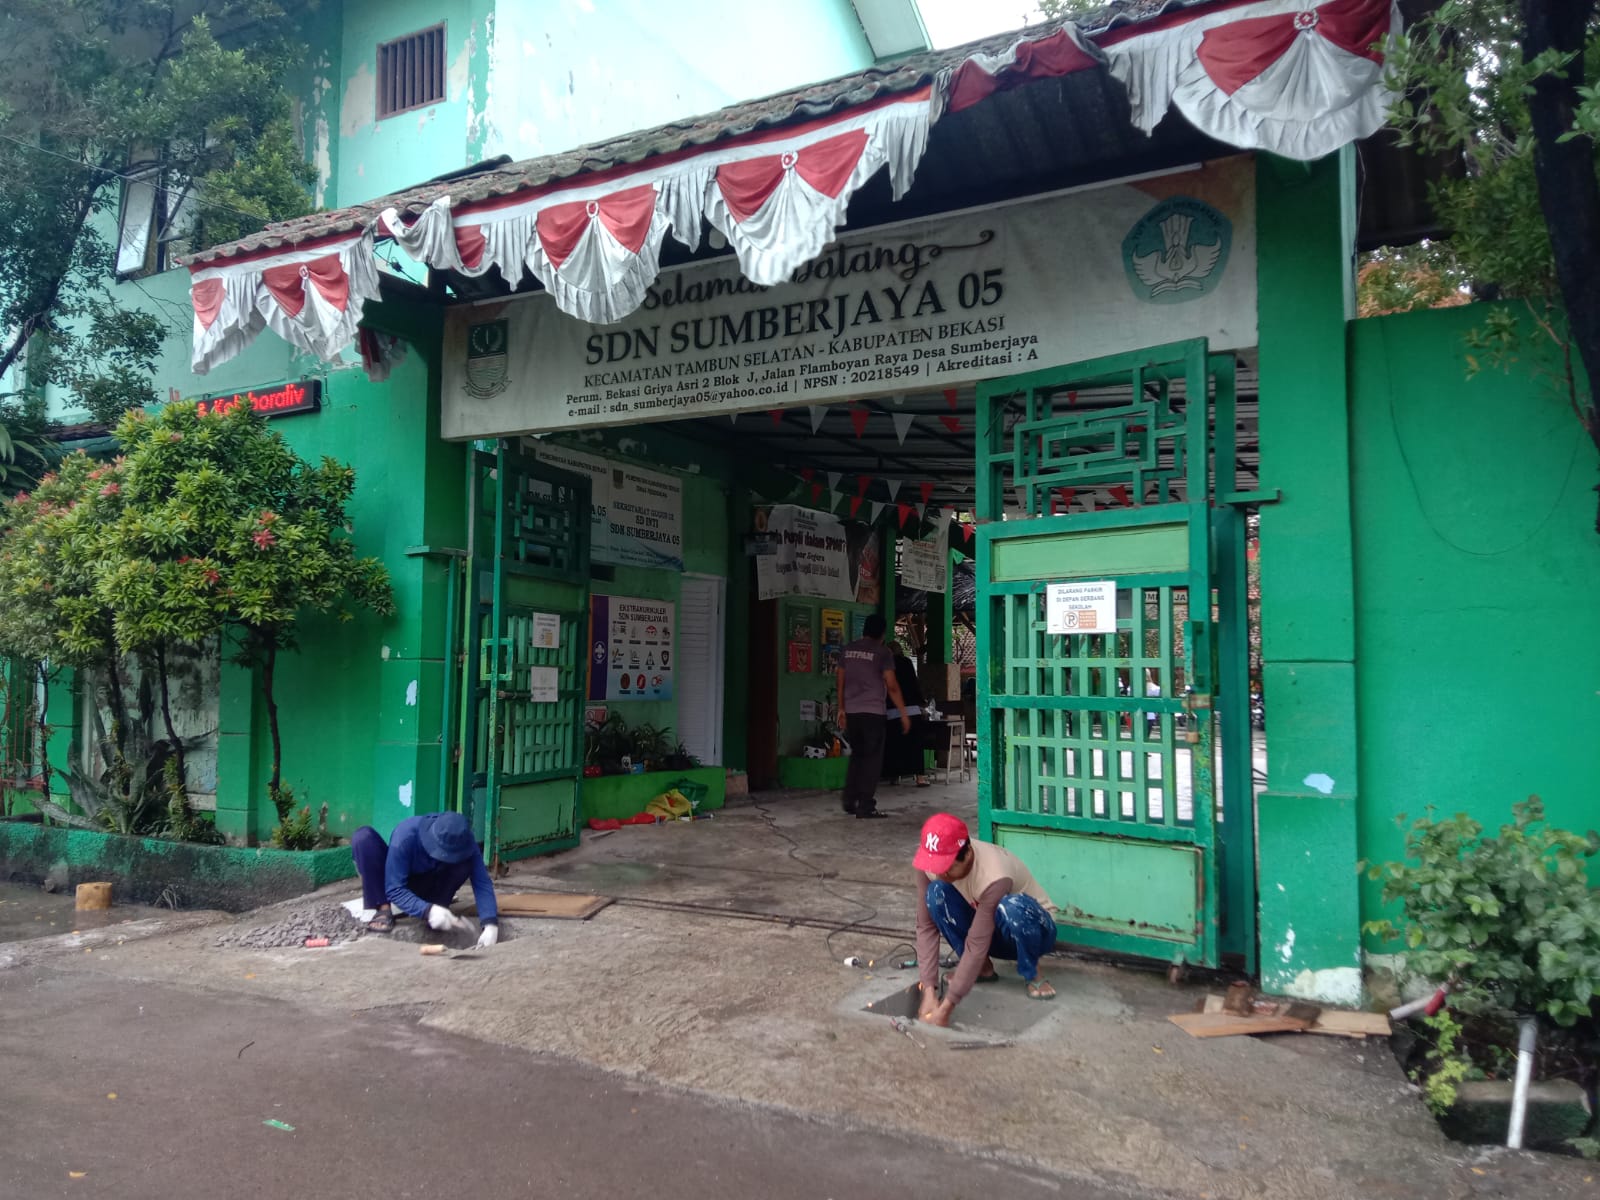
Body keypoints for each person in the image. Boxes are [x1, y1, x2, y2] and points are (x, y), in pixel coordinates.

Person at [912, 812, 1058, 1026]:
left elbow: (977, 941)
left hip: (1034, 932)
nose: (942, 874)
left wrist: (947, 1006)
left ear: (968, 853)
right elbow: (925, 926)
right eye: (937, 867)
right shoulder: (927, 865)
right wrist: (928, 990)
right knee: (935, 894)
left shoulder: (994, 874)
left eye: (948, 867)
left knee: (1011, 907)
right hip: (991, 933)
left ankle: (1032, 972)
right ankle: (983, 969)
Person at [349, 811, 501, 946]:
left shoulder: (464, 840)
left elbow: (482, 882)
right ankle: (383, 909)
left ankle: (439, 907)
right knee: (363, 838)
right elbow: (394, 888)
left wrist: (490, 923)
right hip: (399, 880)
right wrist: (428, 910)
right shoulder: (406, 835)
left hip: (433, 885)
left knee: (465, 864)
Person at [836, 613, 910, 819]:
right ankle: (865, 806)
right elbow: (892, 686)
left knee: (857, 756)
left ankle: (849, 800)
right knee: (871, 761)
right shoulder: (883, 652)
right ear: (882, 633)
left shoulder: (848, 650)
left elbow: (840, 680)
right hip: (873, 713)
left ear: (864, 629)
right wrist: (903, 713)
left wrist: (841, 708)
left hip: (852, 712)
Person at [882, 642, 930, 787]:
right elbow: (914, 683)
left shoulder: (885, 665)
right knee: (915, 746)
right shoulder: (907, 663)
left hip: (891, 711)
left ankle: (894, 776)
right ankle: (920, 778)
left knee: (894, 746)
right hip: (911, 710)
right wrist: (922, 702)